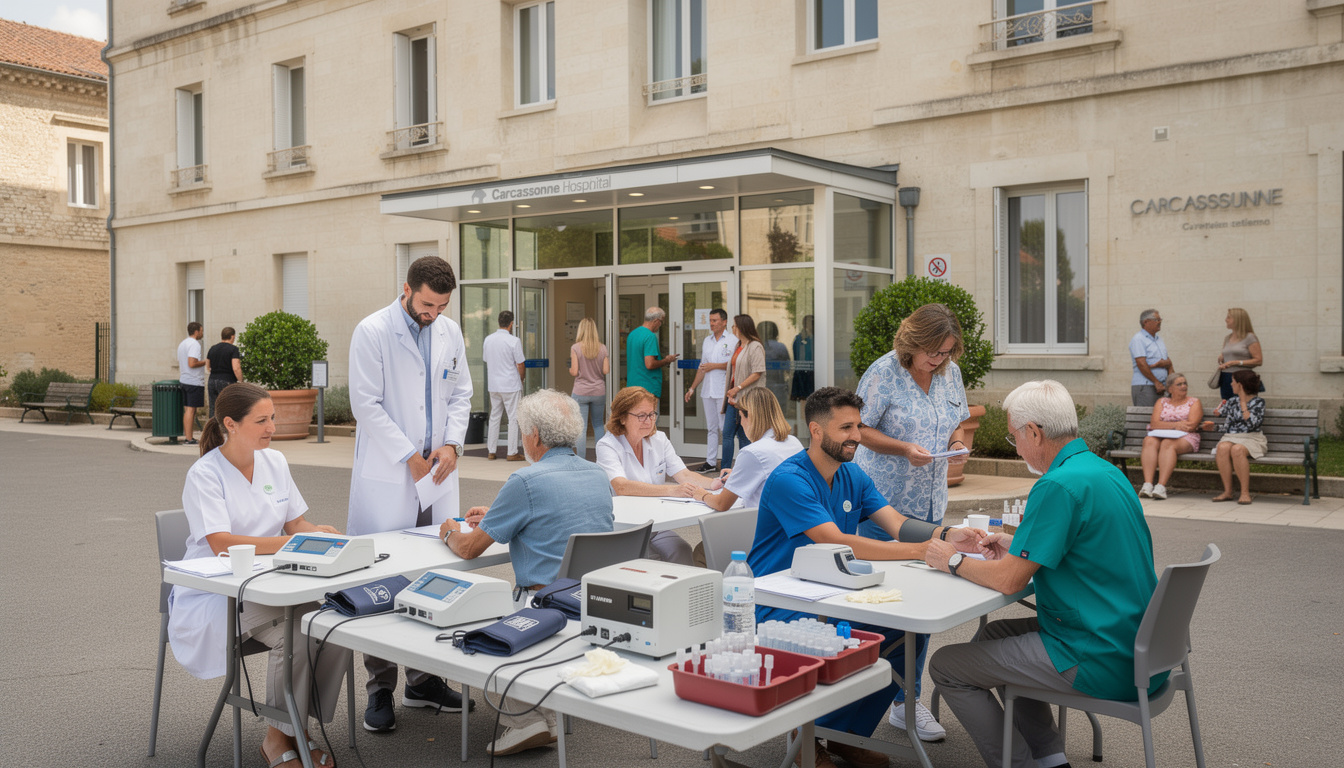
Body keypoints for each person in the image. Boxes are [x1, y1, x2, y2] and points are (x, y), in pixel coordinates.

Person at [923, 380, 1164, 768]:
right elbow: (1082, 546)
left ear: (1034, 431)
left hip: (1096, 654)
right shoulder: (1104, 471)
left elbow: (1008, 582)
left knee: (946, 666)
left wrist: (950, 560)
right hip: (1134, 641)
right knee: (993, 635)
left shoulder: (1056, 484)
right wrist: (1016, 546)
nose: (1015, 446)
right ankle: (1050, 758)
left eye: (1014, 435)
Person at [750, 387, 985, 768]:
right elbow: (839, 541)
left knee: (908, 631)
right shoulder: (789, 479)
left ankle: (845, 734)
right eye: (846, 427)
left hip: (832, 592)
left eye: (858, 425)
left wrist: (945, 535)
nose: (857, 435)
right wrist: (919, 551)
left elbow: (896, 524)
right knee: (861, 635)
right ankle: (806, 736)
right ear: (816, 430)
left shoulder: (852, 474)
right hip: (779, 605)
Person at [168, 383, 350, 768]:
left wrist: (320, 534)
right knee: (299, 635)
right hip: (218, 595)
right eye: (262, 420)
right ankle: (278, 737)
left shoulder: (275, 462)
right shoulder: (205, 474)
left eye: (273, 418)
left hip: (274, 585)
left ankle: (292, 730)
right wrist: (286, 545)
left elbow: (295, 522)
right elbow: (220, 542)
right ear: (230, 424)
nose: (271, 427)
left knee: (335, 627)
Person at [439, 389, 614, 757]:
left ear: (533, 434)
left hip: (541, 609)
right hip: (593, 604)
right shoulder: (598, 475)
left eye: (521, 430)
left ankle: (525, 720)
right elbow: (556, 516)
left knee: (475, 623)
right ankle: (540, 713)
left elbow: (470, 549)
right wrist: (501, 514)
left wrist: (448, 531)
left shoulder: (524, 481)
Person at [347, 255, 474, 732]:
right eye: (426, 304)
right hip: (391, 469)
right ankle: (380, 688)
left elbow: (461, 393)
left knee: (434, 573)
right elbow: (366, 404)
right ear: (406, 288)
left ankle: (424, 682)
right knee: (381, 580)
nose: (433, 314)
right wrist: (409, 455)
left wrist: (452, 444)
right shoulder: (372, 330)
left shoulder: (450, 331)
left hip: (437, 470)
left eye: (441, 306)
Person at [852, 303, 971, 741]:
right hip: (883, 504)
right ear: (913, 343)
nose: (937, 362)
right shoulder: (883, 371)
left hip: (931, 504)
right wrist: (903, 448)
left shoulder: (949, 372)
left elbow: (957, 421)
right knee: (878, 607)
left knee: (921, 608)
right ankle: (854, 700)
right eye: (931, 353)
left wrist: (957, 442)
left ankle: (906, 701)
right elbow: (858, 429)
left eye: (945, 354)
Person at [596, 386, 723, 565]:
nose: (648, 421)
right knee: (651, 560)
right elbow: (621, 486)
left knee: (682, 550)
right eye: (641, 415)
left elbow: (684, 475)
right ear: (622, 417)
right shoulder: (607, 445)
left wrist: (717, 483)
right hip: (625, 527)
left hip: (656, 524)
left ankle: (683, 593)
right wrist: (672, 490)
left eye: (652, 414)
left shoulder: (659, 439)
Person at [691, 387, 802, 512]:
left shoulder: (752, 452)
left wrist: (703, 494)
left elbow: (721, 504)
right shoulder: (794, 442)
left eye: (740, 418)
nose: (741, 423)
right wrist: (741, 472)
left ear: (751, 416)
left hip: (763, 525)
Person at [1202, 370, 1266, 505]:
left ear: (1241, 385)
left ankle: (1245, 493)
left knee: (1237, 450)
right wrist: (1213, 428)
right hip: (1231, 436)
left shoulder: (1259, 402)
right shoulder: (1231, 401)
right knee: (1223, 447)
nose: (1231, 384)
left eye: (1233, 381)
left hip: (1252, 437)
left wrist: (1243, 403)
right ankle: (1227, 492)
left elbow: (1252, 424)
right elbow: (1227, 427)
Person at [683, 308, 737, 471]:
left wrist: (715, 366)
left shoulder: (733, 340)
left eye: (715, 321)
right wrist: (692, 388)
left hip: (723, 391)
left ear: (724, 322)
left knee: (725, 429)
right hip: (708, 390)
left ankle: (729, 462)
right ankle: (711, 462)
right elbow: (702, 368)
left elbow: (734, 365)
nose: (711, 324)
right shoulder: (707, 341)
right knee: (711, 428)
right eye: (710, 321)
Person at [1138, 373, 1202, 500]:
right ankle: (1148, 485)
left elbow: (1191, 425)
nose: (1183, 386)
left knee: (1168, 443)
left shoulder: (1194, 402)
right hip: (1160, 435)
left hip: (1186, 437)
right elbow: (1154, 424)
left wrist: (1165, 425)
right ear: (1170, 389)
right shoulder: (1161, 402)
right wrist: (1176, 425)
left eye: (1185, 383)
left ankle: (1161, 487)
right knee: (1149, 440)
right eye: (1179, 384)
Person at [720, 314, 766, 469]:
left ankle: (744, 469)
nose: (732, 328)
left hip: (746, 399)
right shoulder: (737, 346)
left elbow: (757, 372)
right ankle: (727, 470)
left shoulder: (755, 346)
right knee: (730, 434)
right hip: (734, 398)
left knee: (743, 436)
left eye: (734, 325)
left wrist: (738, 388)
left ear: (742, 327)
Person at [483, 310, 526, 461]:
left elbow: (486, 359)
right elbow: (520, 363)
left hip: (494, 385)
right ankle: (512, 452)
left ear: (498, 322)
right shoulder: (514, 341)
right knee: (513, 418)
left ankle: (491, 450)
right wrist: (521, 378)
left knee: (495, 417)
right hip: (510, 384)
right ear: (511, 323)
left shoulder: (488, 340)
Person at [568, 317, 609, 459]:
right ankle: (602, 458)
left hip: (581, 391)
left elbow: (574, 371)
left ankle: (581, 459)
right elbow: (606, 370)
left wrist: (571, 370)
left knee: (582, 427)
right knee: (598, 424)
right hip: (598, 391)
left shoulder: (576, 348)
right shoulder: (602, 348)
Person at [625, 307, 678, 399]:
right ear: (656, 321)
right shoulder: (650, 336)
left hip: (632, 387)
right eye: (661, 322)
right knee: (649, 413)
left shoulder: (632, 334)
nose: (660, 325)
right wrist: (666, 360)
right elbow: (649, 364)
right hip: (647, 389)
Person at [1216, 308, 1263, 400]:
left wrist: (1237, 362)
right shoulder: (1227, 338)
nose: (1226, 320)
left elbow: (1258, 360)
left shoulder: (1250, 337)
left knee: (1244, 405)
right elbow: (1229, 354)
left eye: (1229, 317)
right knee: (1227, 405)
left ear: (1237, 320)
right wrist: (1222, 356)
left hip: (1243, 379)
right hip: (1226, 377)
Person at [1129, 309, 1173, 406]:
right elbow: (1141, 363)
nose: (1160, 322)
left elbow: (1168, 362)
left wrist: (1171, 383)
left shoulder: (1159, 339)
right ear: (1146, 322)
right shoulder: (1138, 339)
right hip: (1146, 386)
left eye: (1160, 319)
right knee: (1146, 419)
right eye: (1157, 319)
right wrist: (1156, 382)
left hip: (1163, 387)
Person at [177, 321, 207, 444]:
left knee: (188, 410)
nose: (202, 333)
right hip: (193, 381)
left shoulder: (182, 344)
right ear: (196, 331)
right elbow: (192, 363)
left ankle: (188, 437)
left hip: (184, 380)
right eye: (201, 330)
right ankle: (189, 438)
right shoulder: (194, 344)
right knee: (191, 410)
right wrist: (206, 362)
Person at [205, 326, 243, 417]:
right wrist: (241, 380)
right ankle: (226, 430)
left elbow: (207, 366)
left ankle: (213, 430)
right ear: (232, 336)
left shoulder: (212, 348)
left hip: (212, 380)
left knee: (213, 408)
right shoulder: (233, 349)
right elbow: (236, 367)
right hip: (227, 380)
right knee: (228, 407)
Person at [758, 320, 793, 409]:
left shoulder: (755, 346)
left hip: (759, 387)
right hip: (778, 387)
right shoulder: (780, 347)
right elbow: (788, 368)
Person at [790, 314, 815, 402]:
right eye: (808, 323)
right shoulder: (799, 339)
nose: (810, 326)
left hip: (813, 373)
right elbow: (797, 356)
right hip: (802, 373)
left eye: (812, 323)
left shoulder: (817, 338)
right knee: (803, 400)